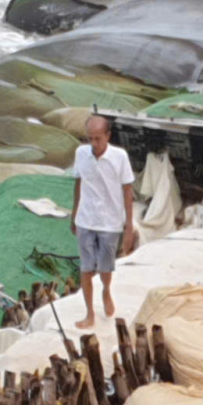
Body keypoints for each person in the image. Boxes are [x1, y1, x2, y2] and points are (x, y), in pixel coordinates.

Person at [70, 114, 136, 330]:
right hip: (86, 219)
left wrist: (128, 226)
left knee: (106, 267)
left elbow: (128, 191)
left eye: (98, 138)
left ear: (108, 135)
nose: (94, 144)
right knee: (86, 268)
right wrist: (74, 214)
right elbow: (79, 184)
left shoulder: (120, 157)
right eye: (90, 138)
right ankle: (89, 313)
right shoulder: (81, 153)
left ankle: (106, 290)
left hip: (110, 222)